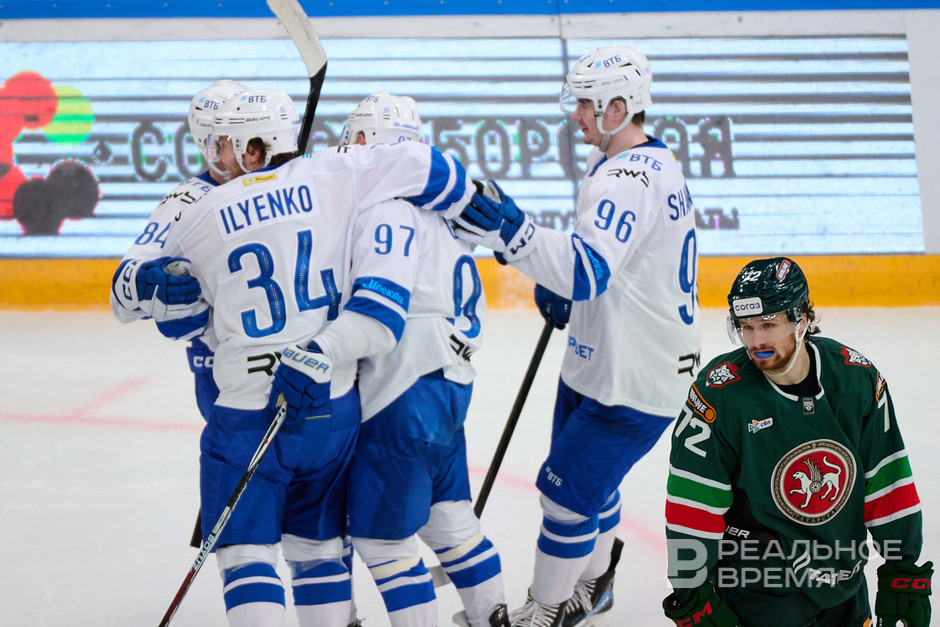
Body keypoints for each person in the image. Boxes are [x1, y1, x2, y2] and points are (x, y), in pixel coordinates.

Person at [136, 87, 475, 626]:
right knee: (319, 551)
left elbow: (160, 313)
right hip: (333, 406)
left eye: (223, 144)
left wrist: (155, 291)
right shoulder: (333, 183)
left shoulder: (202, 212)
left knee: (246, 557)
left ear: (250, 148)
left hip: (246, 406)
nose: (216, 157)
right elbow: (428, 170)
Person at [453, 44, 702, 626]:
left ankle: (544, 612)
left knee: (563, 499)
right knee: (593, 489)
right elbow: (609, 261)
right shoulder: (628, 160)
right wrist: (559, 275)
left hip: (635, 375)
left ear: (620, 107)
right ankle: (595, 584)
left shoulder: (628, 178)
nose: (576, 114)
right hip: (603, 357)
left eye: (587, 104)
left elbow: (588, 269)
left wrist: (517, 236)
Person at [662, 257, 932, 627]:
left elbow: (887, 479)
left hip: (843, 574)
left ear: (802, 319)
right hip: (759, 581)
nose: (756, 341)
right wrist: (691, 593)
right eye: (746, 327)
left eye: (768, 325)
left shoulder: (856, 380)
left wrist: (903, 566)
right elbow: (692, 503)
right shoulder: (719, 396)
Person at [340, 93, 509, 627]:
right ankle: (492, 617)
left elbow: (377, 308)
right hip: (449, 382)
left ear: (364, 139)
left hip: (401, 389)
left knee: (383, 541)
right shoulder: (443, 210)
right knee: (450, 520)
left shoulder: (386, 209)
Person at [111, 79, 248, 420]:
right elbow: (121, 298)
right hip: (224, 371)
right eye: (231, 138)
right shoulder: (187, 201)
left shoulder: (287, 183)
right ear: (210, 144)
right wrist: (149, 283)